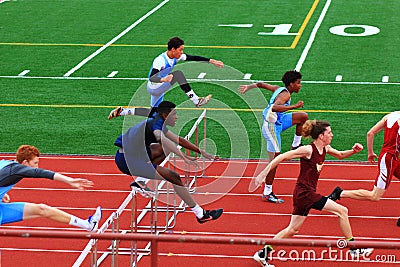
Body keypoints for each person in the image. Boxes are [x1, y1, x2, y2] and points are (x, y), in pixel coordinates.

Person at [251, 120, 373, 266]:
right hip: (305, 193)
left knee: (292, 230)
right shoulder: (308, 150)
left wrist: (353, 151)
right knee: (342, 211)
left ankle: (262, 254)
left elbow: (340, 155)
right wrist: (263, 174)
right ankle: (353, 249)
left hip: (303, 194)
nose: (332, 135)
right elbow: (281, 156)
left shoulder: (325, 148)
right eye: (329, 133)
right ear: (321, 136)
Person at [114, 100, 223, 223]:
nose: (177, 117)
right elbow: (161, 138)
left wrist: (201, 152)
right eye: (174, 114)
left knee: (163, 149)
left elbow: (179, 140)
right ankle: (200, 214)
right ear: (166, 116)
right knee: (174, 177)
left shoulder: (157, 116)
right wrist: (184, 157)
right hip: (128, 161)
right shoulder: (156, 125)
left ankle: (140, 181)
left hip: (135, 154)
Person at [108, 36, 225, 120]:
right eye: (180, 49)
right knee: (178, 74)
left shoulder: (176, 57)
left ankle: (122, 111)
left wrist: (212, 61)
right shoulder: (160, 60)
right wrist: (164, 79)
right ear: (173, 49)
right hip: (155, 86)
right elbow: (152, 77)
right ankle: (196, 100)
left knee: (153, 113)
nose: (182, 52)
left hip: (159, 87)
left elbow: (193, 57)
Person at [238, 70, 308, 203]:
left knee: (302, 117)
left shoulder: (278, 89)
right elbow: (275, 107)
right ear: (291, 84)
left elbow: (261, 84)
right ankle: (267, 192)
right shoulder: (285, 95)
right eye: (298, 83)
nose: (300, 85)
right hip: (271, 128)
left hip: (279, 122)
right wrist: (295, 106)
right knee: (275, 159)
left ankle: (296, 145)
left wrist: (248, 87)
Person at [0, 145, 102, 231]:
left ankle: (88, 225)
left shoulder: (5, 163)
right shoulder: (16, 169)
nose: (37, 167)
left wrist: (3, 193)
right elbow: (40, 173)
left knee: (42, 209)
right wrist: (69, 181)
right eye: (35, 163)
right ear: (25, 163)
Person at [328, 111, 400, 226]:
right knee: (375, 196)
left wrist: (370, 153)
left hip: (390, 157)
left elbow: (370, 133)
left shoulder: (390, 116)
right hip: (389, 160)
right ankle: (340, 193)